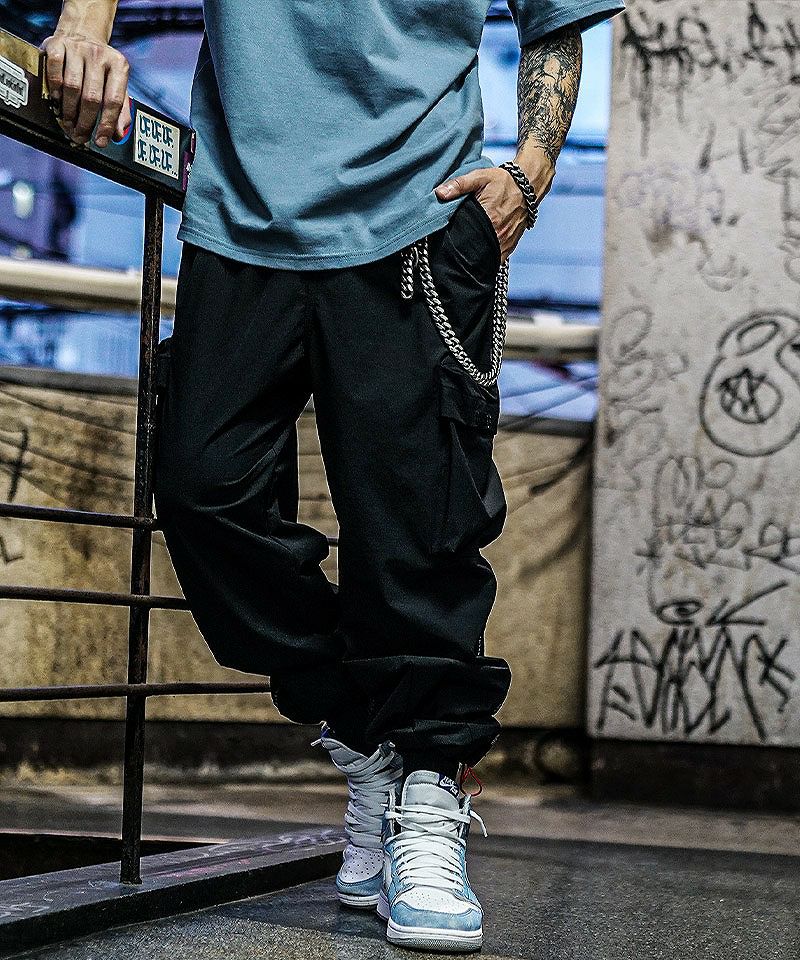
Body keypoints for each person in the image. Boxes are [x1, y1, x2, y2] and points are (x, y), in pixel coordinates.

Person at [43, 0, 624, 950]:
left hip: (422, 217)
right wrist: (82, 25)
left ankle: (427, 790)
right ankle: (368, 732)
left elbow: (554, 20)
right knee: (201, 489)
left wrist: (532, 168)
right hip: (240, 216)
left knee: (418, 530)